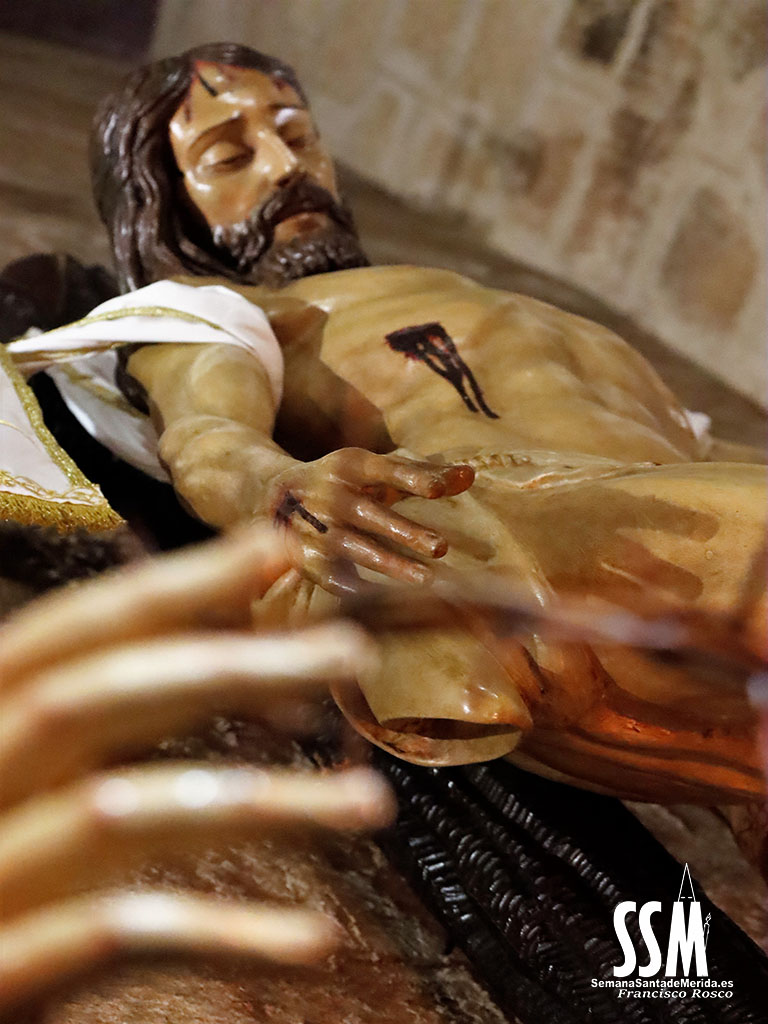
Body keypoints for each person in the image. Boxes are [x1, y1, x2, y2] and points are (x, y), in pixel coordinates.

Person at [7, 44, 767, 811]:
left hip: (685, 514)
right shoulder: (217, 310)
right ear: (168, 207)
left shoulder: (532, 315)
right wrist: (278, 491)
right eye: (230, 156)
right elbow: (207, 437)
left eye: (298, 136)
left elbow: (711, 453)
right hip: (498, 523)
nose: (285, 166)